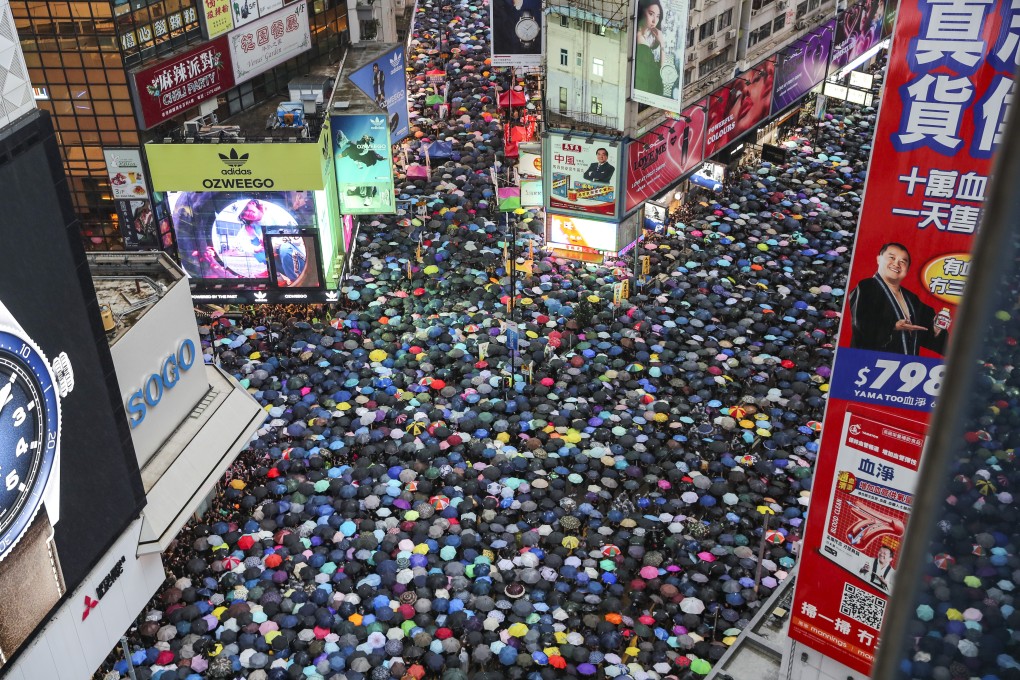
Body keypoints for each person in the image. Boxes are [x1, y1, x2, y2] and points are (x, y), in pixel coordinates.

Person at [849, 242, 950, 355]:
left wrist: (936, 328)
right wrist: (894, 326)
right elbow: (862, 325)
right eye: (891, 257)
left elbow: (926, 336)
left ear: (907, 269)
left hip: (905, 367)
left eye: (903, 262)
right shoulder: (866, 286)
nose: (896, 264)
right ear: (879, 259)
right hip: (869, 363)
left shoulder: (911, 298)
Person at [633, 0, 665, 95]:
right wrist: (662, 44)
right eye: (651, 14)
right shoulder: (641, 42)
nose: (654, 21)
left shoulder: (642, 39)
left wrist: (661, 43)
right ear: (642, 12)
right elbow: (659, 73)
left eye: (658, 16)